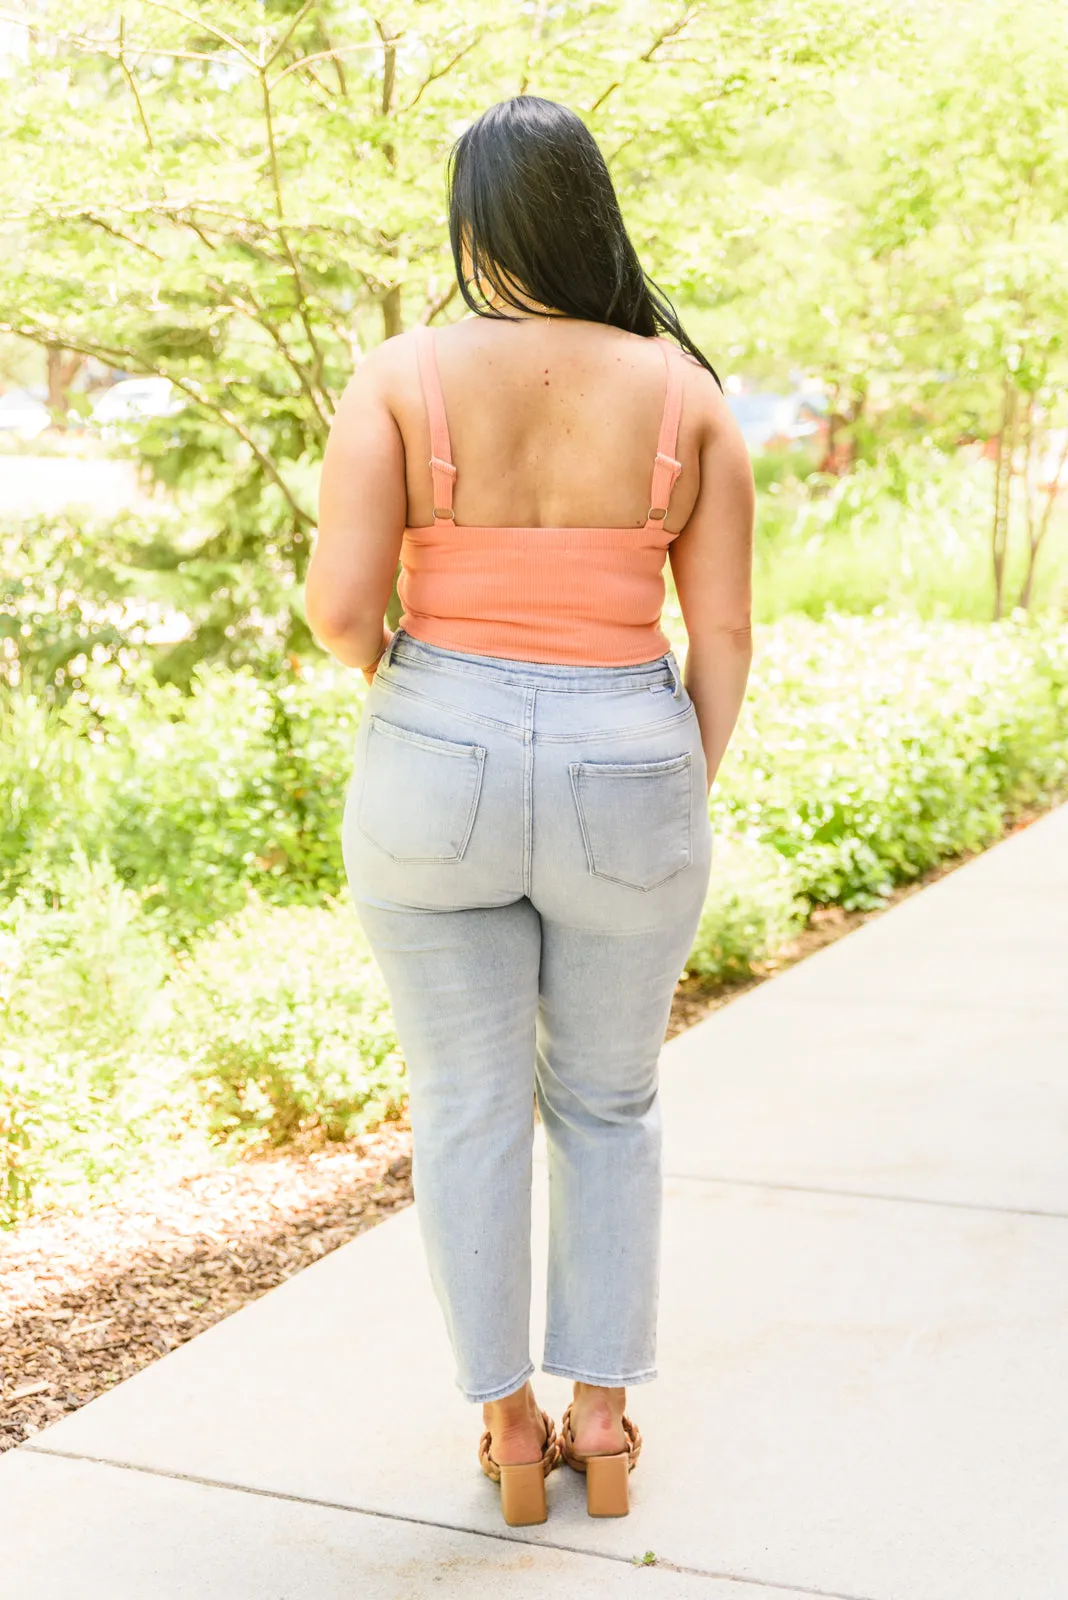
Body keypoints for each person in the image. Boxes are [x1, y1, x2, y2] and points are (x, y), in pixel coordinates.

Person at [305, 94, 754, 1526]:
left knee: (469, 1107)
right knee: (610, 1105)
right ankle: (605, 1426)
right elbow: (727, 637)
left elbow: (335, 612)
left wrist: (426, 687)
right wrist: (673, 776)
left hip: (438, 751)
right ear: (592, 213)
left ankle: (508, 1434)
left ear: (475, 224)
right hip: (633, 748)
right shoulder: (685, 394)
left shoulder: (399, 375)